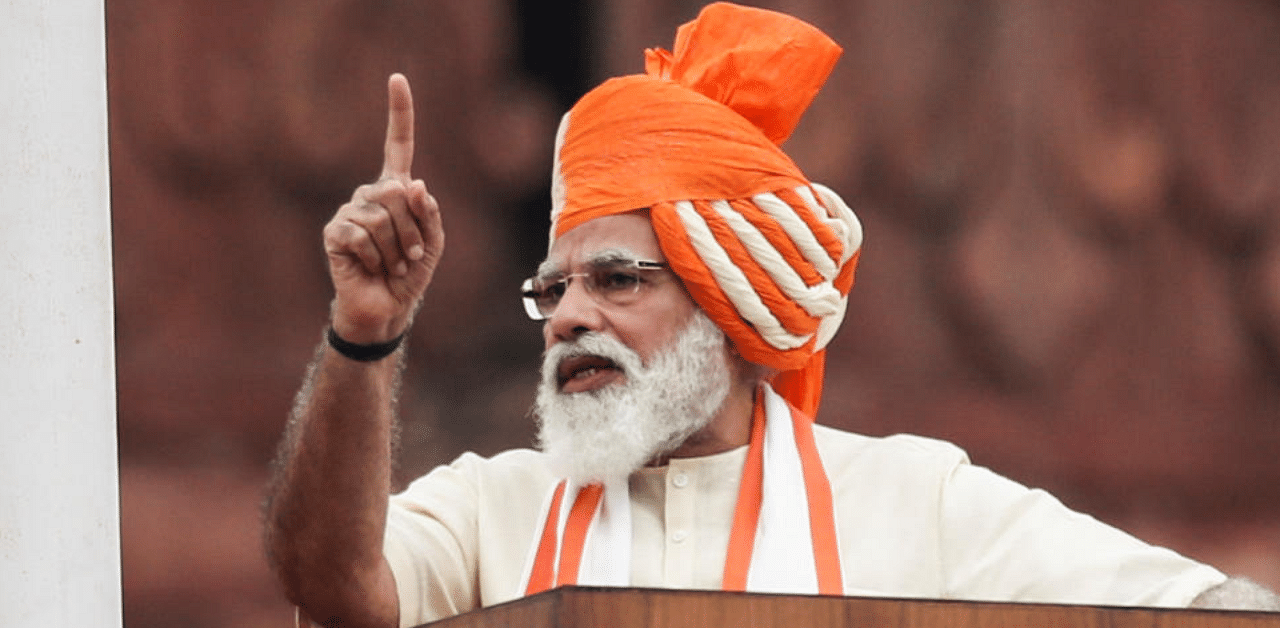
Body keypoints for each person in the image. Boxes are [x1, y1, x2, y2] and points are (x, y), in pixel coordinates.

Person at [263, 4, 1280, 628]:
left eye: (615, 280)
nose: (567, 316)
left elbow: (1197, 611)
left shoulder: (908, 500)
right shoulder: (498, 506)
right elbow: (329, 579)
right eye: (552, 288)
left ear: (724, 297)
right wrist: (362, 333)